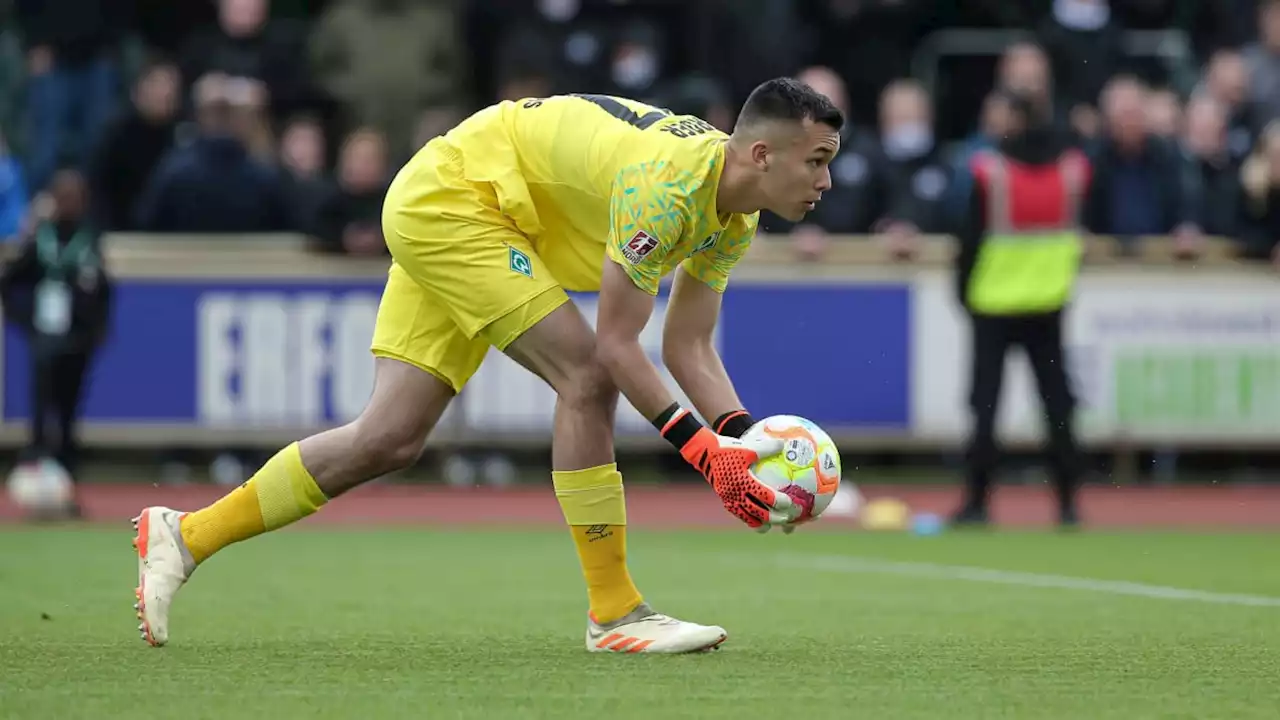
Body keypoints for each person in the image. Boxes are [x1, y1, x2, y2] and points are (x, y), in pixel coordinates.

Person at [132, 79, 844, 652]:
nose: (828, 181)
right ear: (759, 156)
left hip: (490, 210)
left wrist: (743, 442)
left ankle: (184, 535)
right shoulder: (670, 187)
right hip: (458, 202)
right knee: (586, 379)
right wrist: (704, 454)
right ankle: (616, 611)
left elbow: (688, 344)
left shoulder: (735, 215)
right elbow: (619, 346)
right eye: (816, 161)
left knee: (389, 438)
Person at [951, 91, 1092, 528]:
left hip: (993, 302)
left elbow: (969, 239)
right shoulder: (1072, 169)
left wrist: (962, 292)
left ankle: (977, 504)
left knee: (985, 407)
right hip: (1049, 302)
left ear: (1014, 118)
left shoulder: (990, 171)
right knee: (1058, 405)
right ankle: (1068, 505)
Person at [0, 169, 112, 511]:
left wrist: (93, 332)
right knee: (40, 413)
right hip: (44, 339)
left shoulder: (89, 240)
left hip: (76, 342)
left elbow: (103, 293)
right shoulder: (40, 239)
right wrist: (25, 320)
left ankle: (67, 486)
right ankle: (37, 485)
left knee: (67, 414)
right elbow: (12, 280)